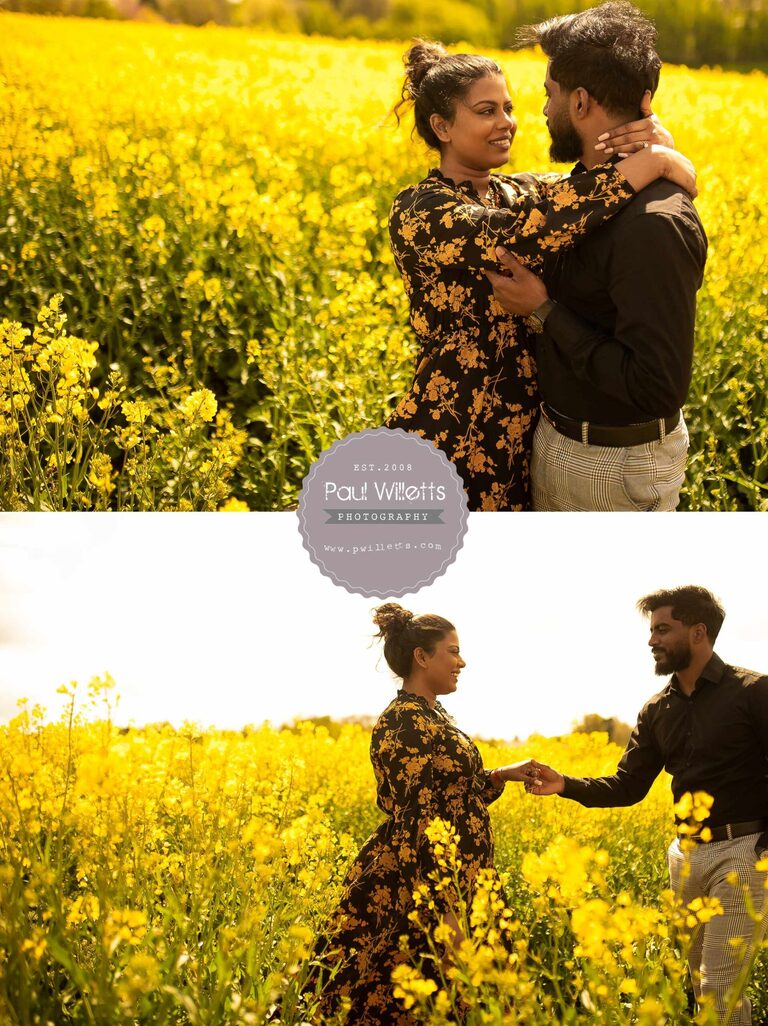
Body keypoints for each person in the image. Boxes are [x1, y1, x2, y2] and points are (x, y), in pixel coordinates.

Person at [386, 38, 697, 511]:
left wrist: (669, 154)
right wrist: (652, 162)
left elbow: (588, 189)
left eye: (509, 107)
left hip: (529, 436)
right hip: (457, 428)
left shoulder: (518, 191)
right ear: (441, 126)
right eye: (486, 110)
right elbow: (523, 233)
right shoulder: (420, 210)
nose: (507, 122)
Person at [487, 1, 709, 511]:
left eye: (549, 95)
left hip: (617, 467)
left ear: (582, 102)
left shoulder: (653, 224)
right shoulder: (574, 195)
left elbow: (654, 387)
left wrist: (544, 311)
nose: (542, 111)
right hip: (559, 442)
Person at [525, 586, 768, 1024]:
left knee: (719, 988)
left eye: (662, 629)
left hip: (744, 852)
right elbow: (627, 786)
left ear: (698, 632)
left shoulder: (754, 691)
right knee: (697, 986)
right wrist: (565, 784)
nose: (651, 640)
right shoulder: (657, 710)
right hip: (686, 856)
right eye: (651, 630)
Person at [310, 603, 535, 1024]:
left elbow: (453, 794)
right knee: (412, 997)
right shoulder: (403, 722)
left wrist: (502, 774)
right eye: (452, 651)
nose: (461, 661)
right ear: (422, 657)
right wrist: (446, 907)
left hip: (465, 880)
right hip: (423, 887)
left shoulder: (433, 715)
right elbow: (417, 818)